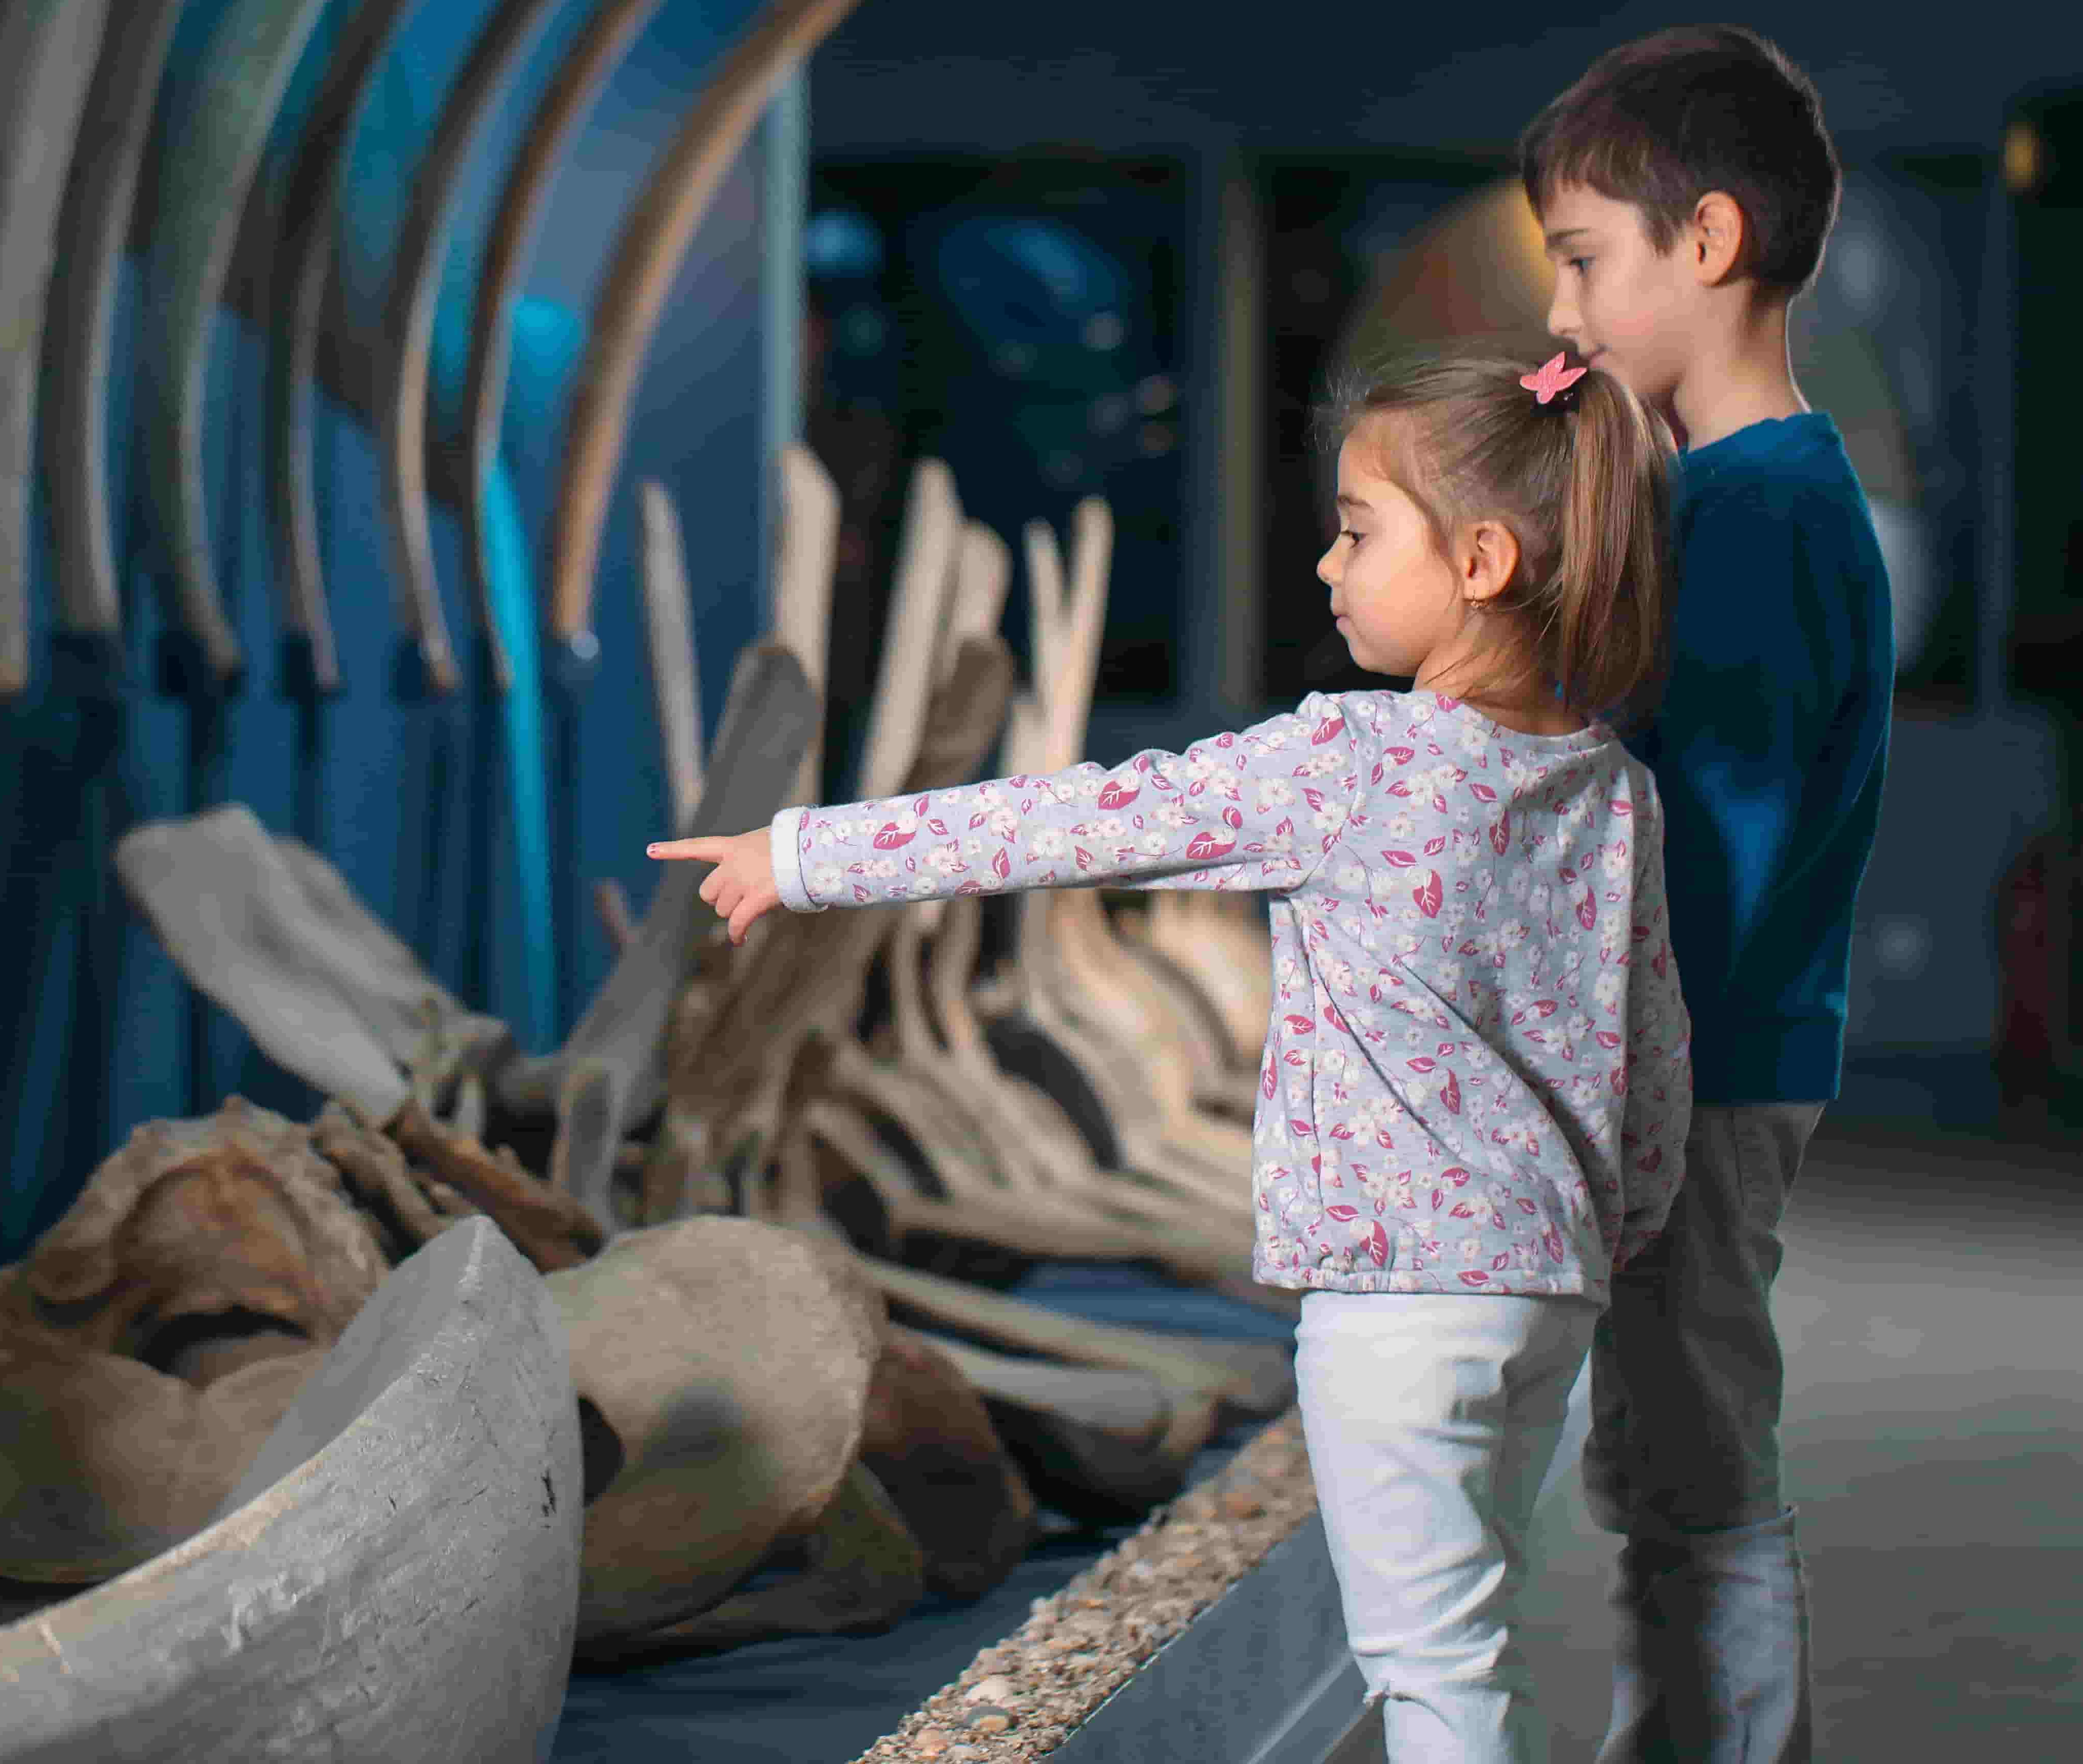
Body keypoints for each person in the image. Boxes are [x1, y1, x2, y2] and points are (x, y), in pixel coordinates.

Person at [653, 342, 1692, 1764]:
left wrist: (804, 852)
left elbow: (1084, 820)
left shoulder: (1349, 763)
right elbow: (1650, 1045)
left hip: (1394, 1307)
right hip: (1544, 1297)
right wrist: (1623, 1223)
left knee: (1431, 1669)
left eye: (1356, 528)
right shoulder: (1612, 788)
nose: (1327, 565)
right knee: (1472, 1639)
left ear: (1485, 562)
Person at [1521, 23, 1894, 1763]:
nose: (1564, 317)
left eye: (1587, 263)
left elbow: (1716, 843)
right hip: (1726, 1054)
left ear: (1712, 243)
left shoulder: (1751, 520)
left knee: (1698, 1469)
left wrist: (1621, 1081)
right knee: (1664, 1461)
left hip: (1708, 1059)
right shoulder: (1751, 498)